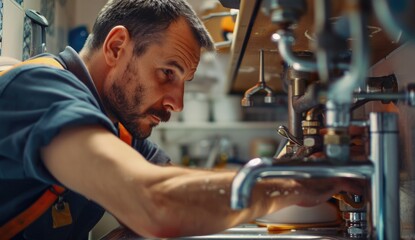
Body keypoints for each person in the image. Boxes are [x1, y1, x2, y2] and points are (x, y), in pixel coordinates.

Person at [0, 0, 362, 239]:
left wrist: (287, 166)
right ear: (115, 47)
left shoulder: (116, 121)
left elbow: (179, 186)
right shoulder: (44, 90)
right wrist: (294, 185)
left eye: (183, 82)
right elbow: (158, 201)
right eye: (167, 73)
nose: (177, 102)